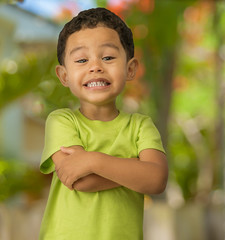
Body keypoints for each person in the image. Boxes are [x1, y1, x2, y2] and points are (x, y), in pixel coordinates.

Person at [39, 7, 168, 240]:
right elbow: (80, 180)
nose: (95, 66)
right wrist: (136, 170)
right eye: (81, 59)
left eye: (108, 57)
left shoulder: (141, 126)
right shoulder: (61, 121)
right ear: (64, 76)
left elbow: (157, 180)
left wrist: (92, 159)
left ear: (130, 69)